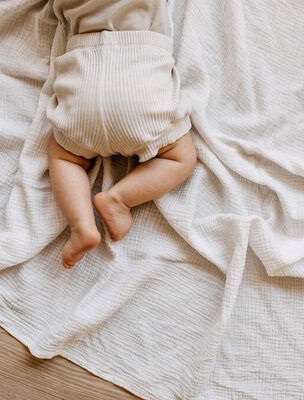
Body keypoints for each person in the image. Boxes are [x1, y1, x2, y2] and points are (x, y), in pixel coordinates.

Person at [46, 0, 197, 269]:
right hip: (141, 78)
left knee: (65, 158)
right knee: (180, 158)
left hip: (83, 77)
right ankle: (118, 199)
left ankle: (82, 226)